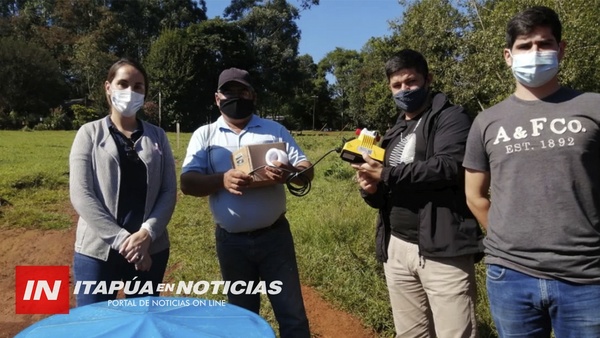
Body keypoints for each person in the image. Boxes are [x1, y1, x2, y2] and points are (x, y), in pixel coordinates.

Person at [464, 6, 600, 337]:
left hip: (587, 276)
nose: (535, 53)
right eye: (525, 46)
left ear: (561, 49)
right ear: (508, 56)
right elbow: (474, 195)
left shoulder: (593, 106)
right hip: (509, 276)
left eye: (545, 44)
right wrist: (507, 238)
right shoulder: (487, 121)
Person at [352, 49, 483, 338]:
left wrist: (385, 174)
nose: (404, 90)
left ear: (428, 79)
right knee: (411, 333)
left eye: (410, 82)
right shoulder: (395, 129)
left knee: (455, 333)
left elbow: (448, 166)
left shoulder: (452, 117)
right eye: (396, 85)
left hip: (443, 248)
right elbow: (385, 188)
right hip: (397, 246)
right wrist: (371, 189)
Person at [180, 67, 312, 338]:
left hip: (275, 238)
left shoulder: (274, 130)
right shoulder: (204, 135)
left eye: (243, 91)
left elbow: (306, 169)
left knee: (292, 315)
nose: (236, 96)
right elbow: (188, 183)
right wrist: (222, 180)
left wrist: (289, 173)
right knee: (243, 317)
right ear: (217, 98)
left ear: (253, 95)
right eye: (229, 91)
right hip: (232, 244)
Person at [69, 58, 177, 306]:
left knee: (142, 322)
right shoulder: (89, 133)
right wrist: (125, 242)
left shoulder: (158, 135)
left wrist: (147, 234)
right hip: (97, 252)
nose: (130, 92)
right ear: (108, 87)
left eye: (138, 86)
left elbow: (169, 191)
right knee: (95, 324)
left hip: (150, 249)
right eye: (123, 83)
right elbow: (81, 194)